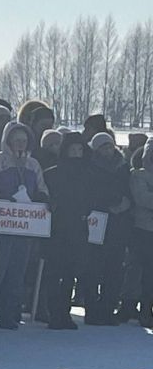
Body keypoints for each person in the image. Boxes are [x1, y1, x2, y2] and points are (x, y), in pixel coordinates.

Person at [0, 122, 49, 328]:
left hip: (23, 227)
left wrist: (44, 198)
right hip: (0, 227)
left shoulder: (33, 164)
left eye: (24, 140)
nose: (20, 144)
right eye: (17, 140)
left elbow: (41, 187)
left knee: (17, 272)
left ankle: (9, 313)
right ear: (8, 141)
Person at [43, 132, 95, 330]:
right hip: (57, 229)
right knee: (55, 272)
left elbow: (91, 200)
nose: (76, 153)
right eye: (72, 149)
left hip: (79, 228)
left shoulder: (88, 174)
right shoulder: (53, 173)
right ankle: (54, 313)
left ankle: (64, 313)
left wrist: (84, 210)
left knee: (71, 272)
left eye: (79, 149)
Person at [81, 133, 132, 325]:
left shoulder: (123, 166)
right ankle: (92, 310)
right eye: (103, 147)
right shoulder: (89, 167)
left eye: (110, 146)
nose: (107, 150)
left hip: (119, 223)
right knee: (93, 268)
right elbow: (88, 193)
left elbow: (129, 189)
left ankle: (109, 308)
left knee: (114, 269)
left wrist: (126, 203)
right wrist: (105, 204)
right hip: (97, 221)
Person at [129, 137, 153, 327]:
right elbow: (143, 199)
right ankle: (132, 306)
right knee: (139, 271)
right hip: (143, 230)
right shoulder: (139, 175)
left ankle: (147, 308)